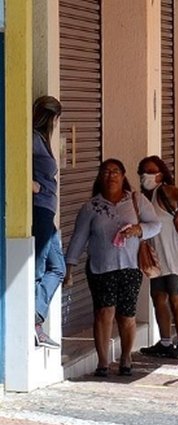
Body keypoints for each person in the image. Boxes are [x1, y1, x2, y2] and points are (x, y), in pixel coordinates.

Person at [64, 159, 161, 377]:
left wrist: (138, 229)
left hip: (130, 266)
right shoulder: (91, 207)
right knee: (103, 312)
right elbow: (79, 238)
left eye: (115, 171)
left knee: (126, 315)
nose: (111, 176)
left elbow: (156, 225)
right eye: (106, 172)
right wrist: (69, 267)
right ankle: (103, 362)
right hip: (100, 267)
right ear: (100, 177)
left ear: (123, 175)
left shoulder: (136, 200)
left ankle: (126, 357)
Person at [136, 156, 178, 360]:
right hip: (158, 258)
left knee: (176, 298)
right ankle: (164, 342)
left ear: (161, 174)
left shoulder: (164, 190)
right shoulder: (144, 198)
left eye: (151, 171)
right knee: (158, 298)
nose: (146, 175)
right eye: (143, 171)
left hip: (177, 255)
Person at [31, 95, 65, 349]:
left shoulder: (42, 139)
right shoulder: (33, 138)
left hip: (47, 211)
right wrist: (35, 187)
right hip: (40, 209)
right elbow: (17, 163)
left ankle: (35, 316)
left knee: (57, 268)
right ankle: (34, 324)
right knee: (40, 266)